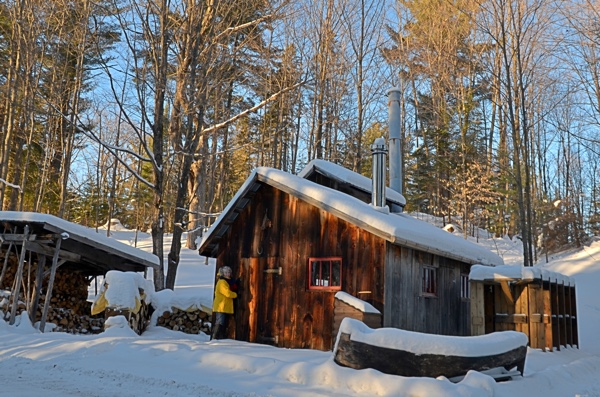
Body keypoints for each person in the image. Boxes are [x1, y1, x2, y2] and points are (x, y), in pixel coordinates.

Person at [211, 266, 238, 340]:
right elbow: (227, 293)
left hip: (224, 306)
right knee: (220, 322)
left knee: (222, 322)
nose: (228, 274)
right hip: (221, 306)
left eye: (229, 272)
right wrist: (235, 295)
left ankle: (219, 337)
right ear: (223, 273)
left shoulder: (228, 281)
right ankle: (215, 337)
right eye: (226, 272)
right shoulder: (222, 282)